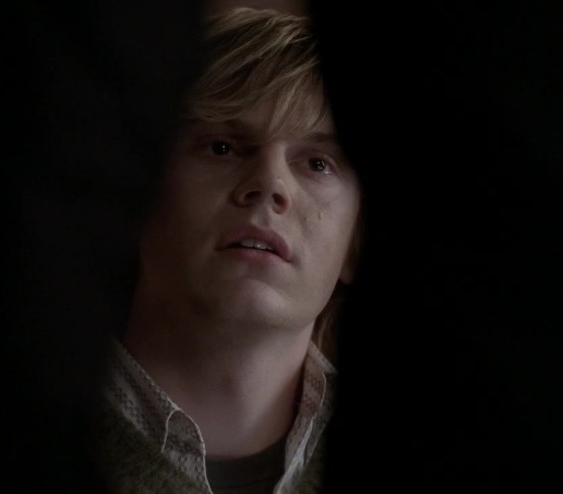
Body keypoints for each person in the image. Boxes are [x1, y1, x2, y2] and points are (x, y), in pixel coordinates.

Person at [91, 6, 362, 494]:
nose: (270, 184)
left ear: (355, 245)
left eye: (318, 163)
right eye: (222, 147)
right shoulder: (0, 427)